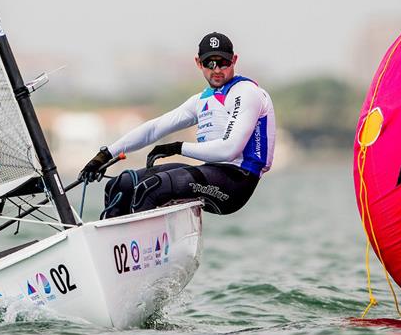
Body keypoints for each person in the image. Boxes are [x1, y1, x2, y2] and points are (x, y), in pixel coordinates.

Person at [78, 32, 275, 218]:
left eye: (223, 63)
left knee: (152, 187)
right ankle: (111, 246)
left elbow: (229, 150)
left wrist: (177, 147)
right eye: (210, 63)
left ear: (234, 60)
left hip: (237, 182)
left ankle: (143, 247)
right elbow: (154, 128)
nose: (216, 69)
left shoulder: (247, 92)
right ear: (199, 63)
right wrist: (106, 155)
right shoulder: (201, 100)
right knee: (121, 184)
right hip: (210, 173)